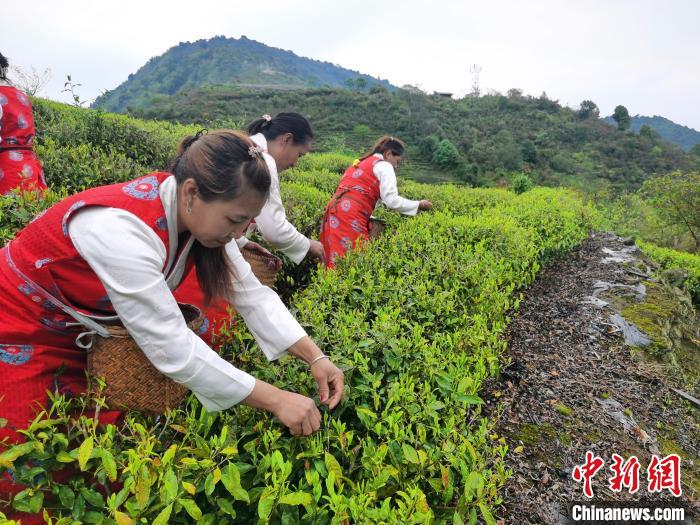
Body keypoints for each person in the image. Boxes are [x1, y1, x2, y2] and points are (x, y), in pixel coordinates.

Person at [0, 130, 344, 520]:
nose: (239, 235)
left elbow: (254, 295)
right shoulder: (120, 229)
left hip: (81, 330)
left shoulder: (197, 217)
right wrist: (277, 399)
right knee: (25, 457)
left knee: (96, 443)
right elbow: (172, 347)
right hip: (17, 325)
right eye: (234, 220)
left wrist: (316, 357)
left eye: (247, 223)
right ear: (192, 193)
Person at [174, 113, 324, 343]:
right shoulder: (259, 160)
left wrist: (240, 241)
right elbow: (273, 228)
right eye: (299, 155)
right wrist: (308, 244)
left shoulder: (240, 151)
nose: (295, 163)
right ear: (286, 139)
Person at [320, 135, 432, 268]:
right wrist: (418, 204)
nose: (396, 166)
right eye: (397, 161)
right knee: (355, 263)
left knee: (335, 257)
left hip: (334, 211)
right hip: (350, 215)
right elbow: (391, 200)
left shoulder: (360, 162)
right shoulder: (384, 165)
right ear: (389, 154)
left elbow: (360, 194)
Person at [0, 52, 47, 195]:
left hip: (5, 170)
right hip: (29, 168)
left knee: (9, 214)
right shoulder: (22, 96)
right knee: (31, 212)